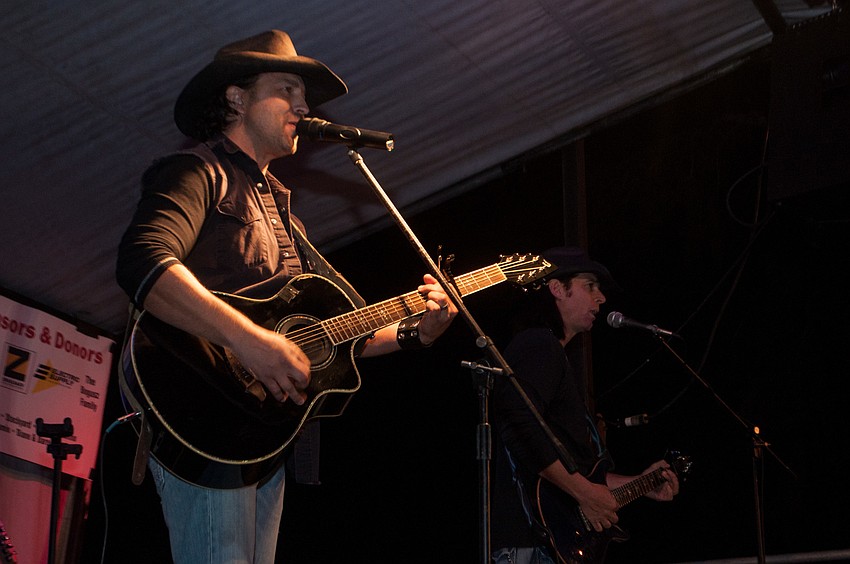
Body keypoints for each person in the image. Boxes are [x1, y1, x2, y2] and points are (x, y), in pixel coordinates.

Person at [115, 29, 457, 563]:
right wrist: (249, 341)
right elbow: (143, 262)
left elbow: (336, 333)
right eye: (288, 89)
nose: (303, 105)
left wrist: (418, 331)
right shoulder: (196, 171)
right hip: (200, 408)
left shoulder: (282, 213)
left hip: (261, 435)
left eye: (305, 96)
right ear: (236, 97)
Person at [489, 246, 679, 564]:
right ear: (557, 288)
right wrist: (584, 493)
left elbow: (585, 477)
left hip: (547, 545)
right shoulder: (538, 344)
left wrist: (642, 483)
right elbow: (518, 425)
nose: (601, 298)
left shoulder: (550, 353)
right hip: (531, 544)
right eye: (590, 286)